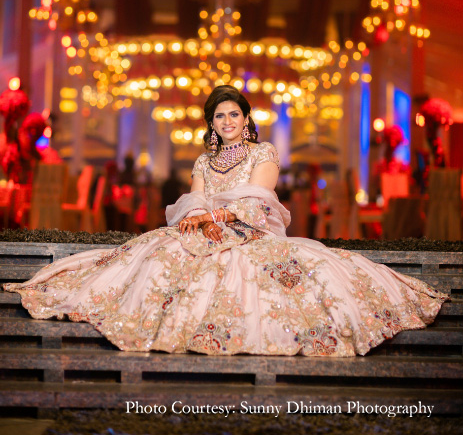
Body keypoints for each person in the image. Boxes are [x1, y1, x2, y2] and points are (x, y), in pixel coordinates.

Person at [3, 86, 447, 356]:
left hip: (249, 229)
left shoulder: (264, 152)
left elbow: (259, 194)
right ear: (212, 124)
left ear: (246, 118)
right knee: (157, 255)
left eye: (235, 113)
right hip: (206, 227)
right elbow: (194, 195)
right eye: (220, 115)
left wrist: (224, 213)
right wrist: (198, 215)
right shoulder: (203, 158)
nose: (229, 120)